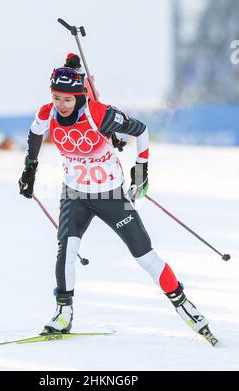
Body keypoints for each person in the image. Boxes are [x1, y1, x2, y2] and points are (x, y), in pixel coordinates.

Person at [19, 53, 215, 342]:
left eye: (67, 99)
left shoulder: (100, 113)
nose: (61, 105)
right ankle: (63, 313)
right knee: (66, 250)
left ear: (80, 96)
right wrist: (30, 168)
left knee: (145, 256)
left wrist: (141, 171)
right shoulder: (47, 112)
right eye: (57, 97)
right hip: (74, 194)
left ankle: (184, 305)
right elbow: (35, 133)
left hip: (111, 195)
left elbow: (142, 131)